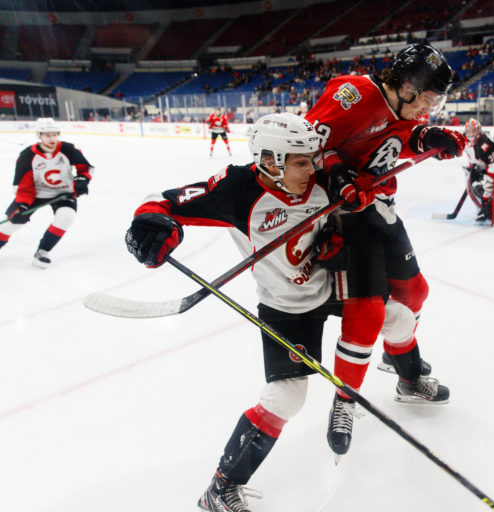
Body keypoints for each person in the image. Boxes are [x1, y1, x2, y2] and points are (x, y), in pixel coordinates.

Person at [123, 113, 346, 512]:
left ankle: (410, 377)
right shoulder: (237, 188)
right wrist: (155, 226)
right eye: (299, 162)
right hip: (287, 307)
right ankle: (221, 488)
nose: (311, 169)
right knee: (288, 397)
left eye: (312, 158)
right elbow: (160, 204)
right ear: (270, 161)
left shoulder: (323, 176)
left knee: (396, 310)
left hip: (334, 282)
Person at [304, 42, 466, 456]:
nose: (430, 106)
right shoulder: (353, 94)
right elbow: (308, 148)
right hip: (345, 216)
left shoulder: (404, 109)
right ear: (407, 86)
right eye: (428, 98)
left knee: (415, 293)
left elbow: (397, 140)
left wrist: (428, 136)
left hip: (379, 208)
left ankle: (405, 375)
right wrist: (339, 177)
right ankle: (344, 401)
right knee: (369, 313)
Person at [0, 117, 94, 268]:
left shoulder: (68, 149)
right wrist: (23, 206)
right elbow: (22, 185)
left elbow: (86, 167)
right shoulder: (27, 156)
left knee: (66, 216)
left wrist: (82, 180)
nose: (52, 138)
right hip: (34, 195)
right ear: (39, 136)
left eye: (55, 134)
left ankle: (42, 252)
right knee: (9, 225)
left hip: (63, 194)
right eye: (47, 135)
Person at [463, 118, 494, 222]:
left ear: (479, 131)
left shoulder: (484, 143)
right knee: (474, 188)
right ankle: (484, 209)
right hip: (477, 167)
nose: (471, 134)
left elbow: (493, 165)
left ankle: (487, 209)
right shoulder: (464, 139)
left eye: (474, 131)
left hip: (490, 167)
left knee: (481, 188)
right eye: (469, 131)